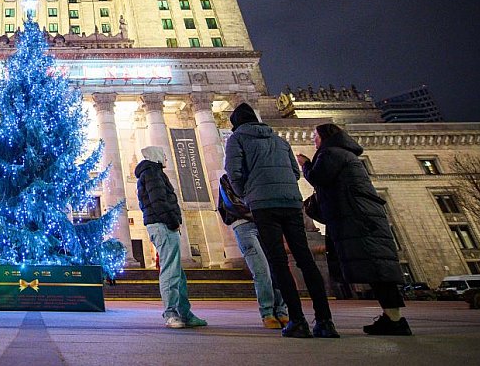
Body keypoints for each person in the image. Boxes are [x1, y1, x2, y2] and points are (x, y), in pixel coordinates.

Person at [225, 103, 337, 339]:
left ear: (236, 123)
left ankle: (297, 320)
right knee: (305, 260)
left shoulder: (237, 139)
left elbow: (233, 173)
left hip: (264, 206)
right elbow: (296, 173)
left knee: (278, 262)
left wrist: (248, 194)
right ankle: (325, 321)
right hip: (291, 203)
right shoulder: (279, 140)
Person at [298, 123, 411, 336]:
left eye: (315, 136)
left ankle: (395, 320)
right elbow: (334, 190)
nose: (314, 140)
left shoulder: (331, 153)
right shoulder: (343, 154)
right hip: (360, 217)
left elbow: (319, 178)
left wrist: (305, 165)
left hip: (358, 220)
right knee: (377, 270)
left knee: (378, 270)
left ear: (325, 136)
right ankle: (392, 317)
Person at [135, 145, 207, 329]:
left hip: (162, 224)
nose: (166, 158)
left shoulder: (152, 172)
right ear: (157, 155)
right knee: (170, 269)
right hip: (163, 225)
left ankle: (185, 313)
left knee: (178, 273)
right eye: (164, 154)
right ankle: (171, 313)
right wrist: (173, 221)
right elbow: (158, 200)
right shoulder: (152, 172)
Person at [218, 174, 289, 328]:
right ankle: (267, 312)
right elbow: (231, 204)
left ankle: (282, 311)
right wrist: (258, 213)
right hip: (245, 225)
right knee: (261, 270)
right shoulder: (226, 178)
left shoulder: (257, 173)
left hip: (266, 223)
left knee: (276, 267)